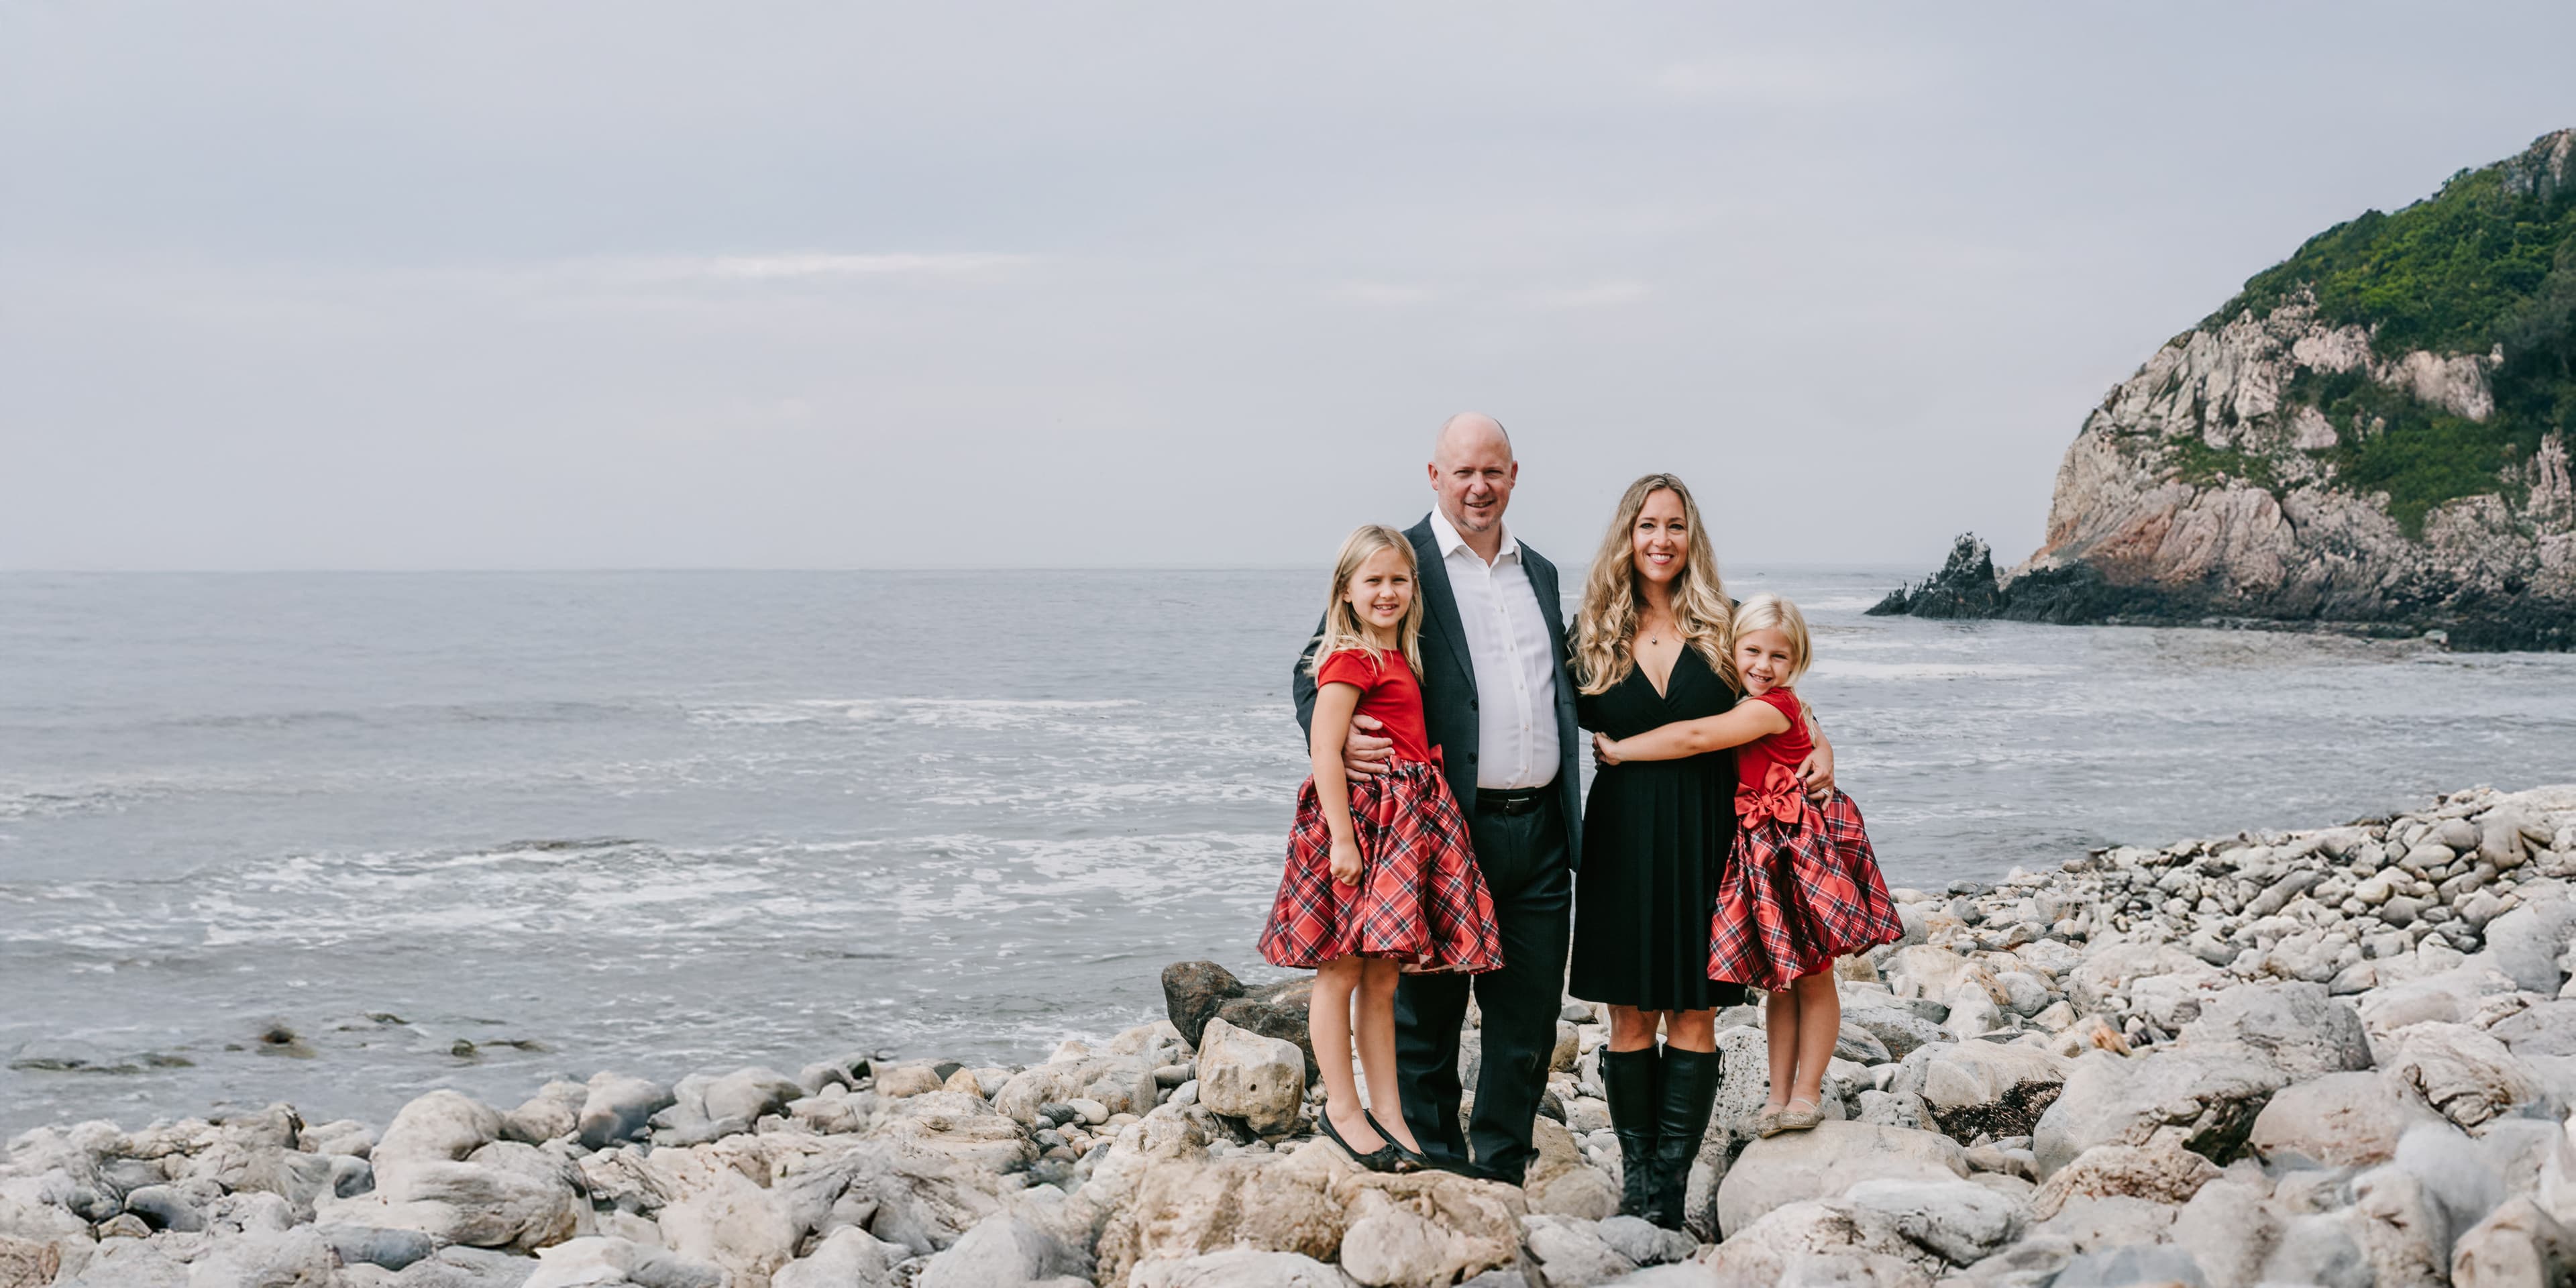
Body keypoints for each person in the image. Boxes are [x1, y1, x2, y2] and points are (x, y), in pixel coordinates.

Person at [1291, 413, 1579, 1185]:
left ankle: (1504, 1174)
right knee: (1424, 1019)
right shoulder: (1399, 561)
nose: (1478, 486)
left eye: (1493, 471)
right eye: (1463, 473)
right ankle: (1432, 1170)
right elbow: (1315, 668)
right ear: (1434, 476)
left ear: (1514, 475)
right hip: (1443, 831)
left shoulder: (1541, 573)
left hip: (1544, 830)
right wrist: (1341, 744)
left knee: (1527, 1024)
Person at [1565, 474, 1833, 1228]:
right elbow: (1517, 708)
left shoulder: (1723, 625)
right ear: (1626, 535)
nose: (1660, 539)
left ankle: (1673, 1191)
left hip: (1706, 837)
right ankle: (1638, 1178)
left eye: (1675, 526)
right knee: (1627, 1019)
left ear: (1692, 537)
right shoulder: (1587, 633)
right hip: (1618, 836)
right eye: (1647, 525)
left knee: (1693, 1016)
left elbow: (1785, 701)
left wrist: (1827, 749)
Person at [1593, 594, 1903, 1141]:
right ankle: (1778, 1096)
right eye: (1752, 651)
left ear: (1797, 661)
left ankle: (1807, 1092)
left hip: (1795, 846)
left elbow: (1696, 738)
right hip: (1760, 847)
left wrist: (1621, 751)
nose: (1762, 665)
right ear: (1730, 650)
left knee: (1814, 973)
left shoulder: (1768, 707)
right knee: (1781, 981)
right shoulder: (1749, 697)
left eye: (1779, 657)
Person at [1261, 525, 1504, 1171]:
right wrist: (1343, 838)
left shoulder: (1401, 657)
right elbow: (1324, 748)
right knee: (1340, 969)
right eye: (1373, 580)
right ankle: (1343, 1109)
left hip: (1404, 828)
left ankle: (1389, 1113)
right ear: (1345, 591)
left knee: (1384, 975)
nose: (1388, 591)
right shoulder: (1349, 658)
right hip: (1362, 829)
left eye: (1399, 580)